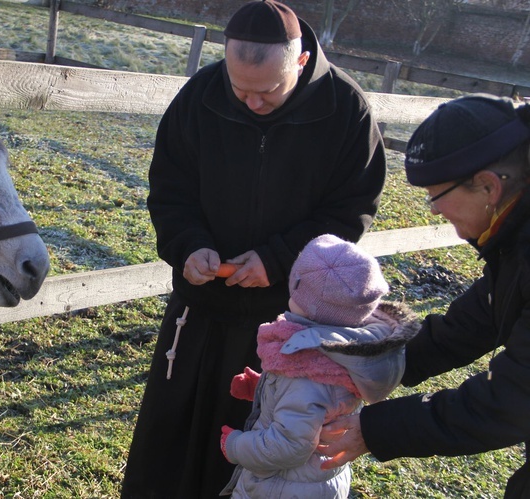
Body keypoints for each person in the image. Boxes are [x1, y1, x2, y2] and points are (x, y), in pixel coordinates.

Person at [121, 1, 387, 496]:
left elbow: (351, 212)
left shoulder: (346, 110)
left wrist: (277, 260)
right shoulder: (201, 94)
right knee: (173, 441)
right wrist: (189, 247)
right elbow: (170, 190)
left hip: (289, 319)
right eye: (238, 88)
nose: (251, 103)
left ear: (301, 62)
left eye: (266, 92)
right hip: (199, 312)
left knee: (262, 438)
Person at [317, 94, 530, 498]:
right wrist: (342, 365)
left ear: (488, 186)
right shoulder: (513, 237)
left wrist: (374, 430)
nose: (432, 212)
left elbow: (513, 399)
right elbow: (460, 331)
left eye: (437, 196)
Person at [219, 234, 419, 498]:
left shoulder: (306, 369)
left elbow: (289, 445)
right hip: (314, 481)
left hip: (282, 487)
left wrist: (235, 445)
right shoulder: (344, 349)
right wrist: (265, 387)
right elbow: (316, 406)